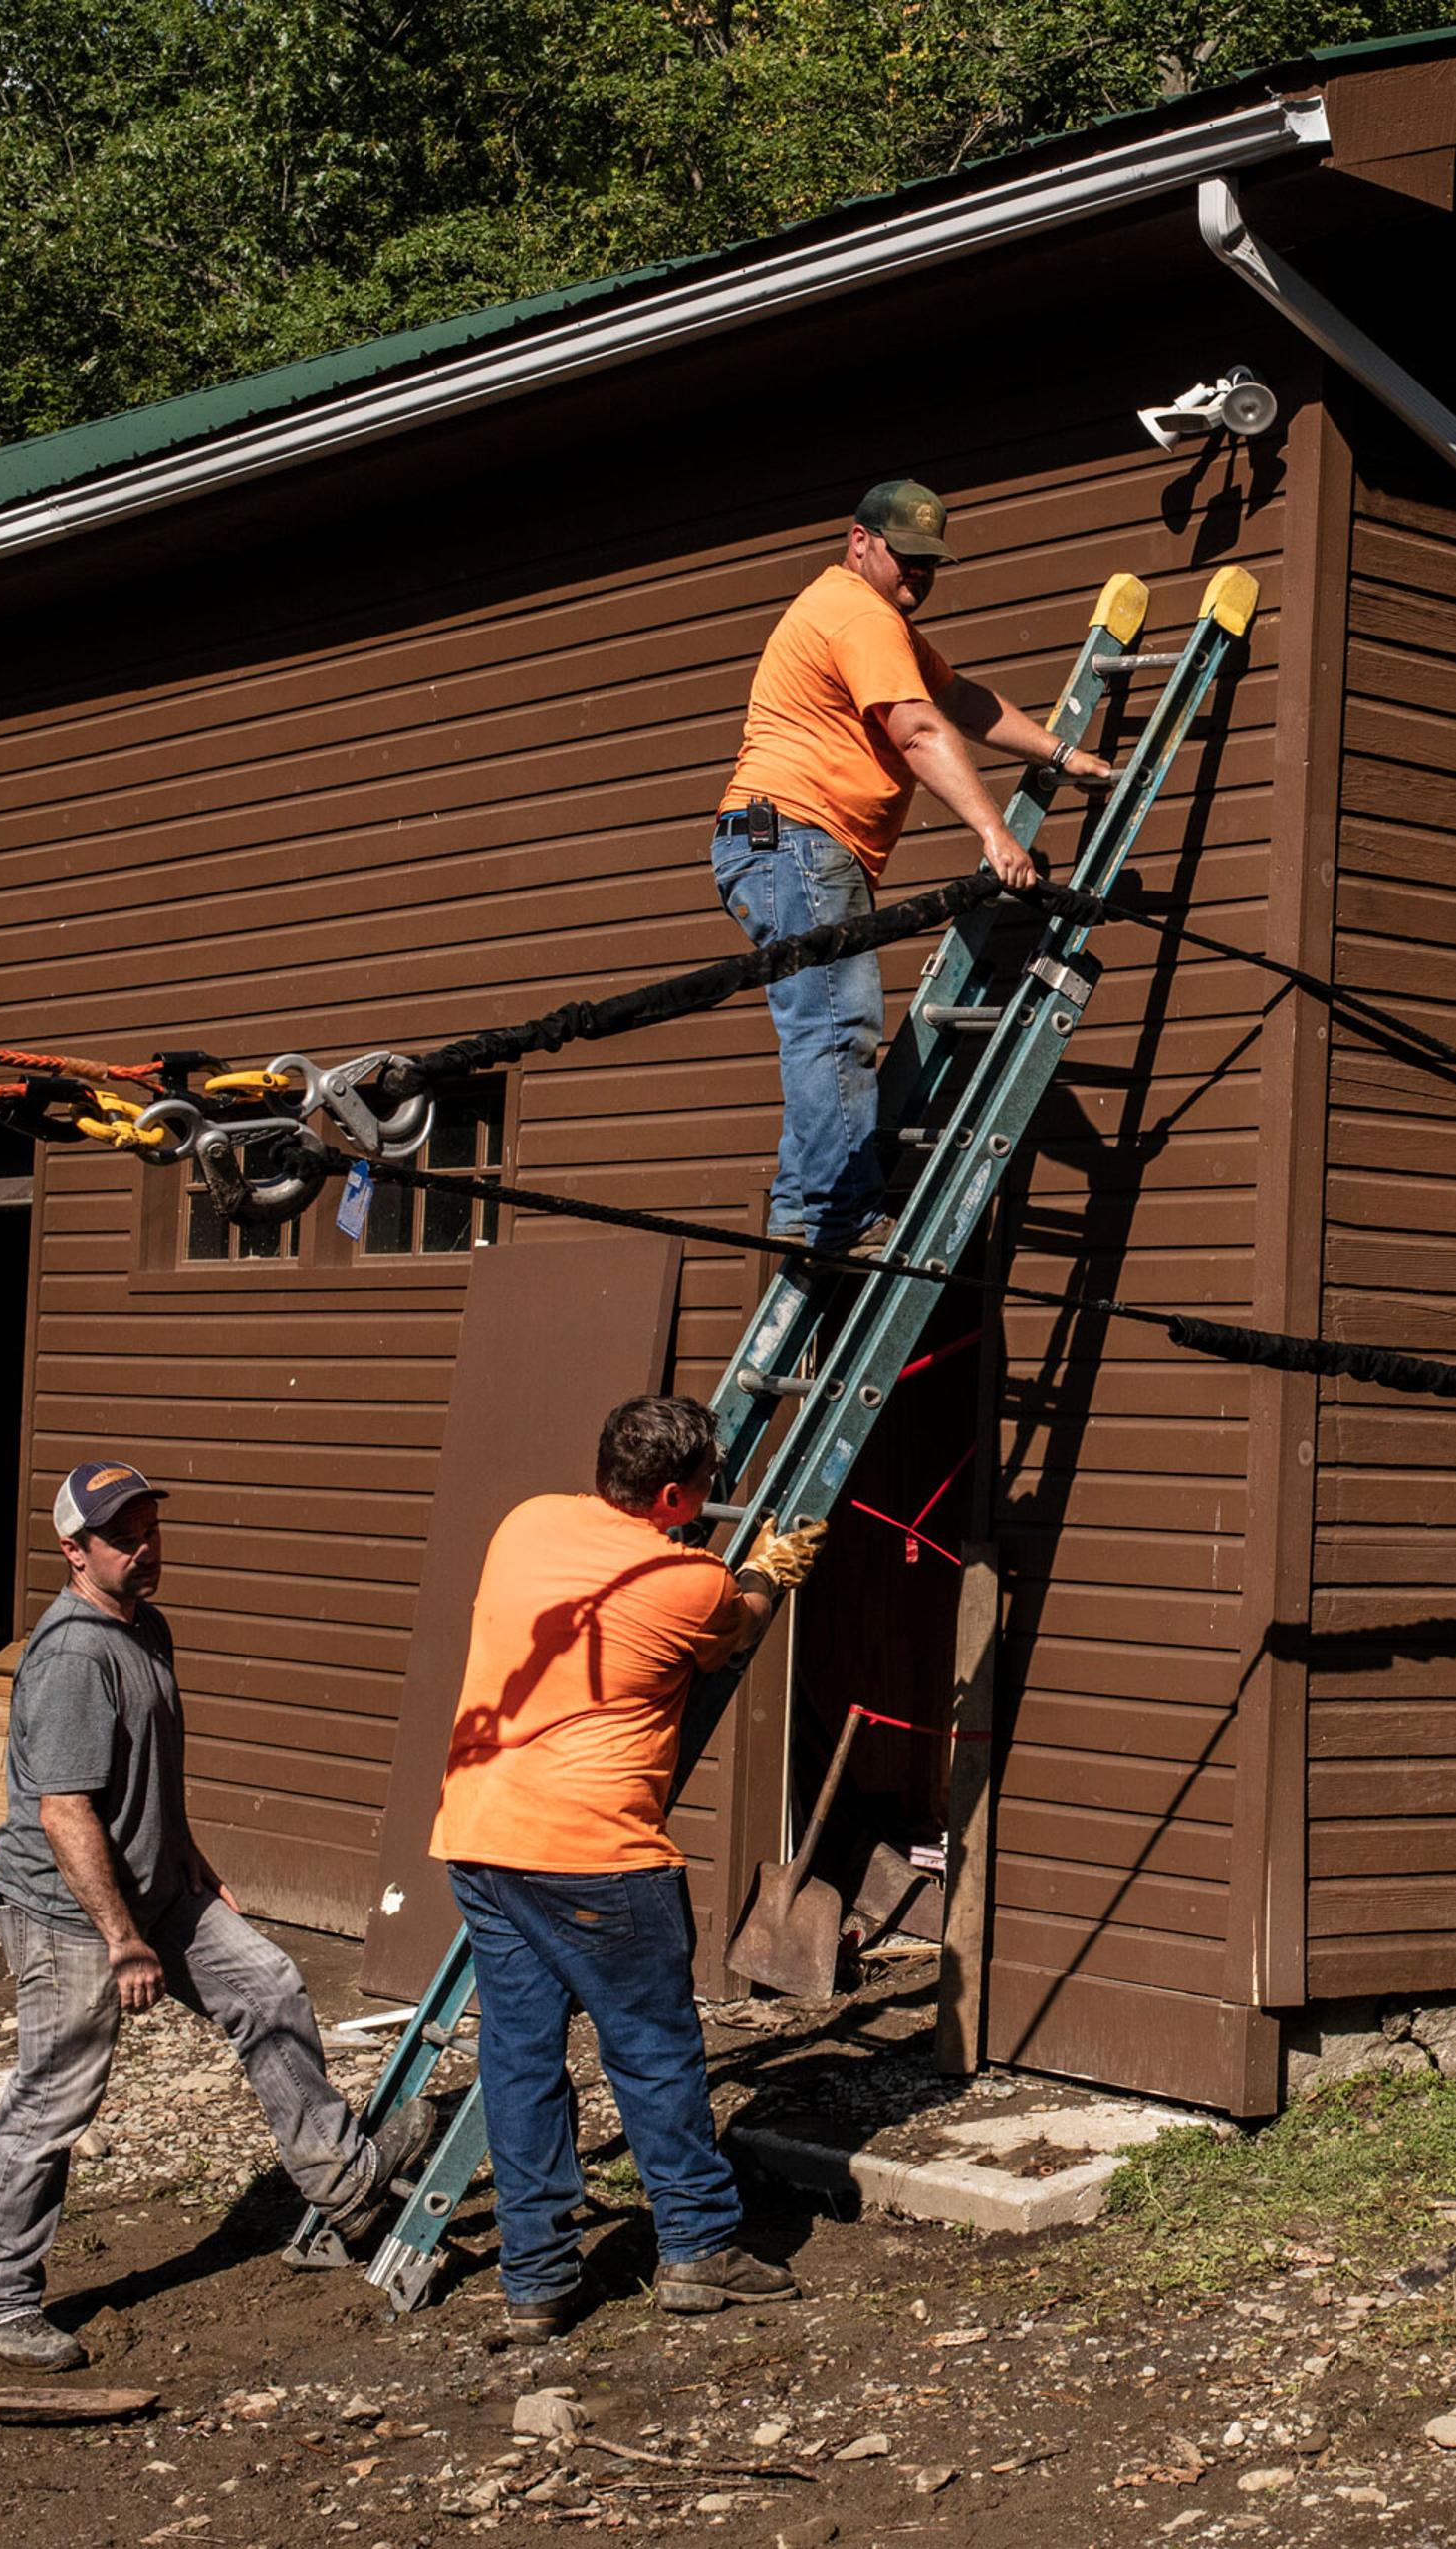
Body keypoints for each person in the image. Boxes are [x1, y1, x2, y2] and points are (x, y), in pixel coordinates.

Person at [0, 1461, 437, 2370]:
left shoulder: (147, 1627)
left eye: (151, 1528)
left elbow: (151, 1775)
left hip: (157, 1888)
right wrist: (122, 1939)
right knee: (55, 2099)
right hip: (73, 1911)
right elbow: (64, 1809)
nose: (145, 1548)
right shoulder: (72, 1657)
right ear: (74, 1551)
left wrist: (194, 1864)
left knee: (267, 1983)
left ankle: (342, 2177)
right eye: (122, 1536)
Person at [431, 1396, 827, 2338]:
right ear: (675, 1495)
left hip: (482, 1837)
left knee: (520, 2058)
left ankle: (535, 2278)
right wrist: (766, 1570)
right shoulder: (686, 1580)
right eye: (700, 1494)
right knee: (652, 2050)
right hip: (596, 1853)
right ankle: (696, 2244)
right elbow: (736, 1623)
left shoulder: (527, 1521)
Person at [711, 478, 1117, 1250]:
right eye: (907, 558)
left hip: (788, 843)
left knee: (823, 1024)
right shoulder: (858, 613)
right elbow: (922, 728)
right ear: (860, 541)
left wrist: (1062, 753)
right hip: (796, 838)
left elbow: (960, 698)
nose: (918, 577)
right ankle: (838, 1215)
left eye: (931, 564)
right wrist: (997, 833)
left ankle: (807, 1209)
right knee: (836, 1025)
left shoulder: (873, 618)